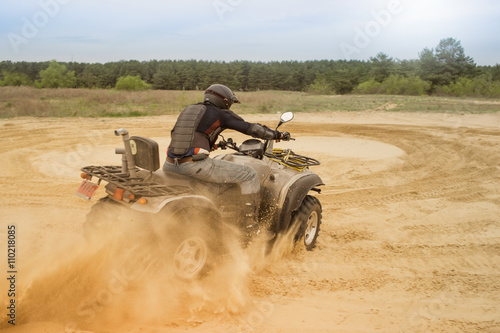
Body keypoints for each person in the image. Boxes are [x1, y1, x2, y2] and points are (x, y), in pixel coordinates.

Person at [163, 84, 290, 233]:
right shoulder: (220, 113)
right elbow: (251, 128)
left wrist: (211, 146)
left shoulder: (189, 110)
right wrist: (278, 135)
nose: (229, 106)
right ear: (224, 100)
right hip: (193, 165)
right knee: (249, 174)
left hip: (169, 165)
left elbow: (179, 136)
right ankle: (250, 226)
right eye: (229, 103)